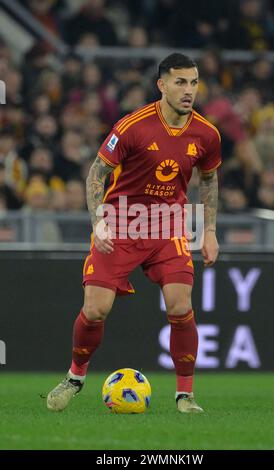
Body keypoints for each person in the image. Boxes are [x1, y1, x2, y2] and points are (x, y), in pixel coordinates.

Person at [47, 53, 221, 413]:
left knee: (180, 305)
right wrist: (99, 221)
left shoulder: (206, 133)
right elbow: (96, 174)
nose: (189, 90)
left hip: (167, 226)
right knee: (95, 311)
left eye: (193, 82)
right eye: (180, 82)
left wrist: (210, 231)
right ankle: (75, 377)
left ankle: (185, 395)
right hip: (123, 222)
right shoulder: (133, 126)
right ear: (162, 85)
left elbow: (209, 177)